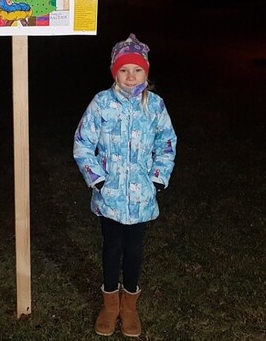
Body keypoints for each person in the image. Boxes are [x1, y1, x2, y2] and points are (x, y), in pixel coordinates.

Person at [72, 34, 177, 338]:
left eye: (137, 70)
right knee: (111, 248)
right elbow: (82, 144)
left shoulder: (155, 106)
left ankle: (129, 304)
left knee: (134, 249)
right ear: (114, 72)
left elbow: (166, 143)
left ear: (146, 72)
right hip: (110, 197)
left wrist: (157, 178)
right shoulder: (102, 103)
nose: (131, 77)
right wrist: (99, 180)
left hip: (142, 196)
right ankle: (109, 304)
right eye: (124, 70)